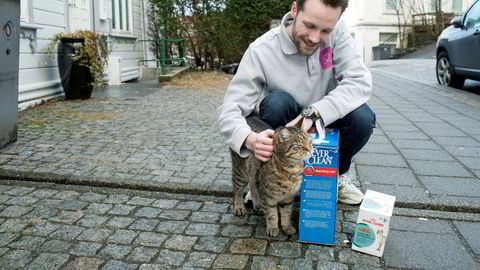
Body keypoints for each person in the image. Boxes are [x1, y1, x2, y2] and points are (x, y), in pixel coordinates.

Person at [217, 0, 376, 205]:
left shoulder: (339, 34)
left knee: (363, 117)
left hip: (324, 119)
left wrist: (313, 113)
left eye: (325, 30)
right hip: (285, 121)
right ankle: (270, 178)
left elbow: (360, 82)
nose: (314, 38)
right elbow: (231, 108)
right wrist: (248, 139)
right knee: (276, 103)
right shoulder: (261, 50)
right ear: (294, 10)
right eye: (309, 25)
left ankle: (337, 176)